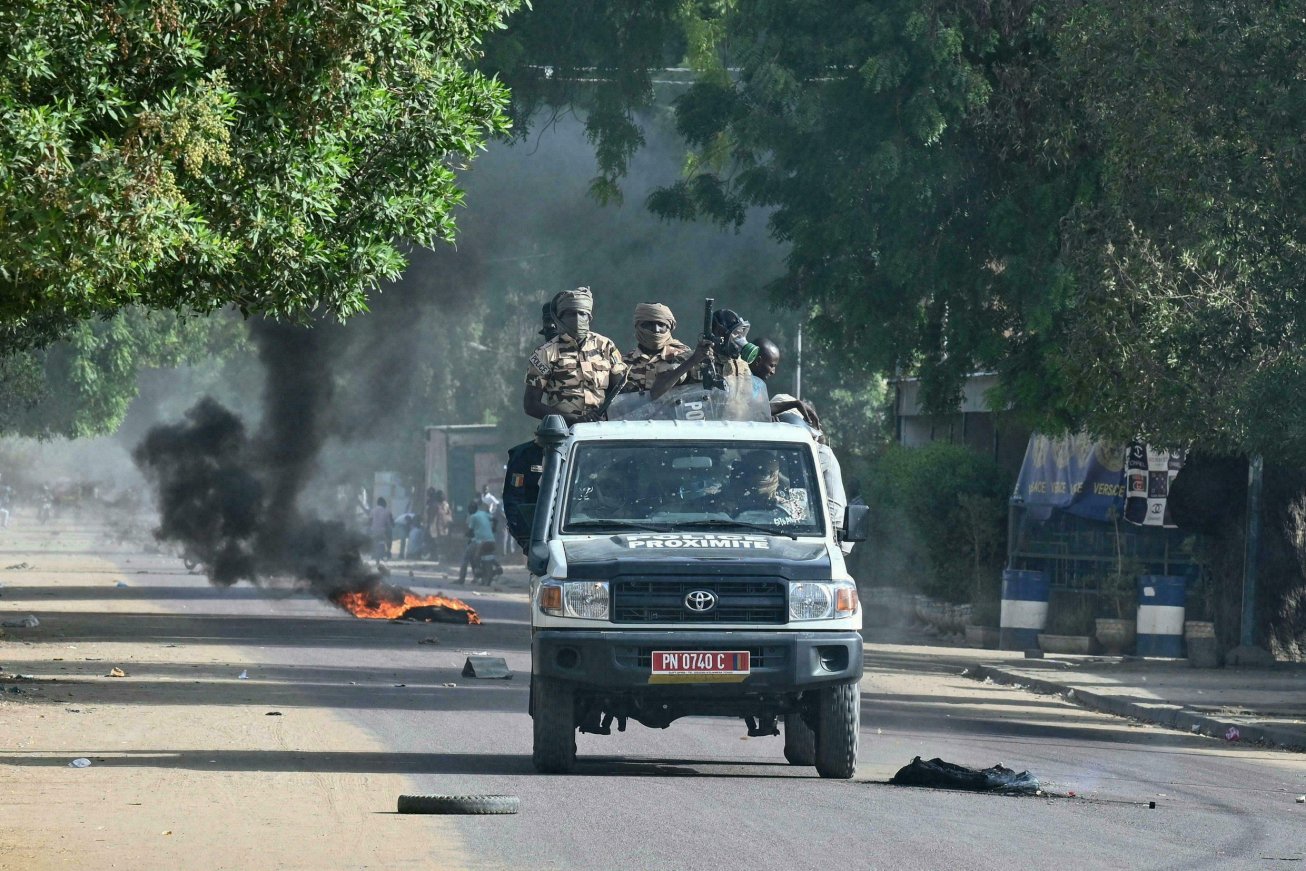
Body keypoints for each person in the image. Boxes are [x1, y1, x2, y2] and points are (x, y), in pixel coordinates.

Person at [523, 287, 629, 425]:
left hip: (604, 429)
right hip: (564, 432)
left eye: (582, 314)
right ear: (560, 318)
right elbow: (531, 404)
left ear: (589, 317)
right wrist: (573, 420)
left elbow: (621, 390)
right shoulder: (545, 353)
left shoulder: (605, 346)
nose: (577, 319)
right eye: (571, 314)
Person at [622, 303, 711, 399]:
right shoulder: (624, 364)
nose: (656, 330)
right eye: (649, 324)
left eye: (661, 324)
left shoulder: (685, 356)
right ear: (638, 326)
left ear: (669, 327)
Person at [749, 336, 820, 426]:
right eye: (771, 365)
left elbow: (762, 409)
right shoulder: (740, 380)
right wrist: (763, 416)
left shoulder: (758, 384)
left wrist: (795, 404)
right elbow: (747, 411)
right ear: (758, 361)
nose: (773, 372)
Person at [457, 499, 496, 584]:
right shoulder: (483, 513)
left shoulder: (473, 517)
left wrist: (465, 535)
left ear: (471, 509)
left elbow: (471, 532)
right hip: (492, 540)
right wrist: (493, 529)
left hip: (480, 541)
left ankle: (461, 578)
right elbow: (495, 519)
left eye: (469, 509)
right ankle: (491, 567)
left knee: (466, 557)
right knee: (477, 555)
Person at [427, 489, 452, 562]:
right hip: (443, 526)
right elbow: (449, 514)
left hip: (438, 527)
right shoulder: (445, 505)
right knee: (442, 543)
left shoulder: (435, 505)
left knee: (439, 543)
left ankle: (440, 558)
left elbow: (430, 516)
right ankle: (441, 558)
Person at [369, 497, 394, 561]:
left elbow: (370, 521)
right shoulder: (387, 511)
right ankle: (388, 551)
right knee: (390, 535)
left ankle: (372, 553)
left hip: (373, 530)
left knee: (371, 539)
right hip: (383, 531)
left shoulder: (372, 510)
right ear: (384, 504)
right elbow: (389, 523)